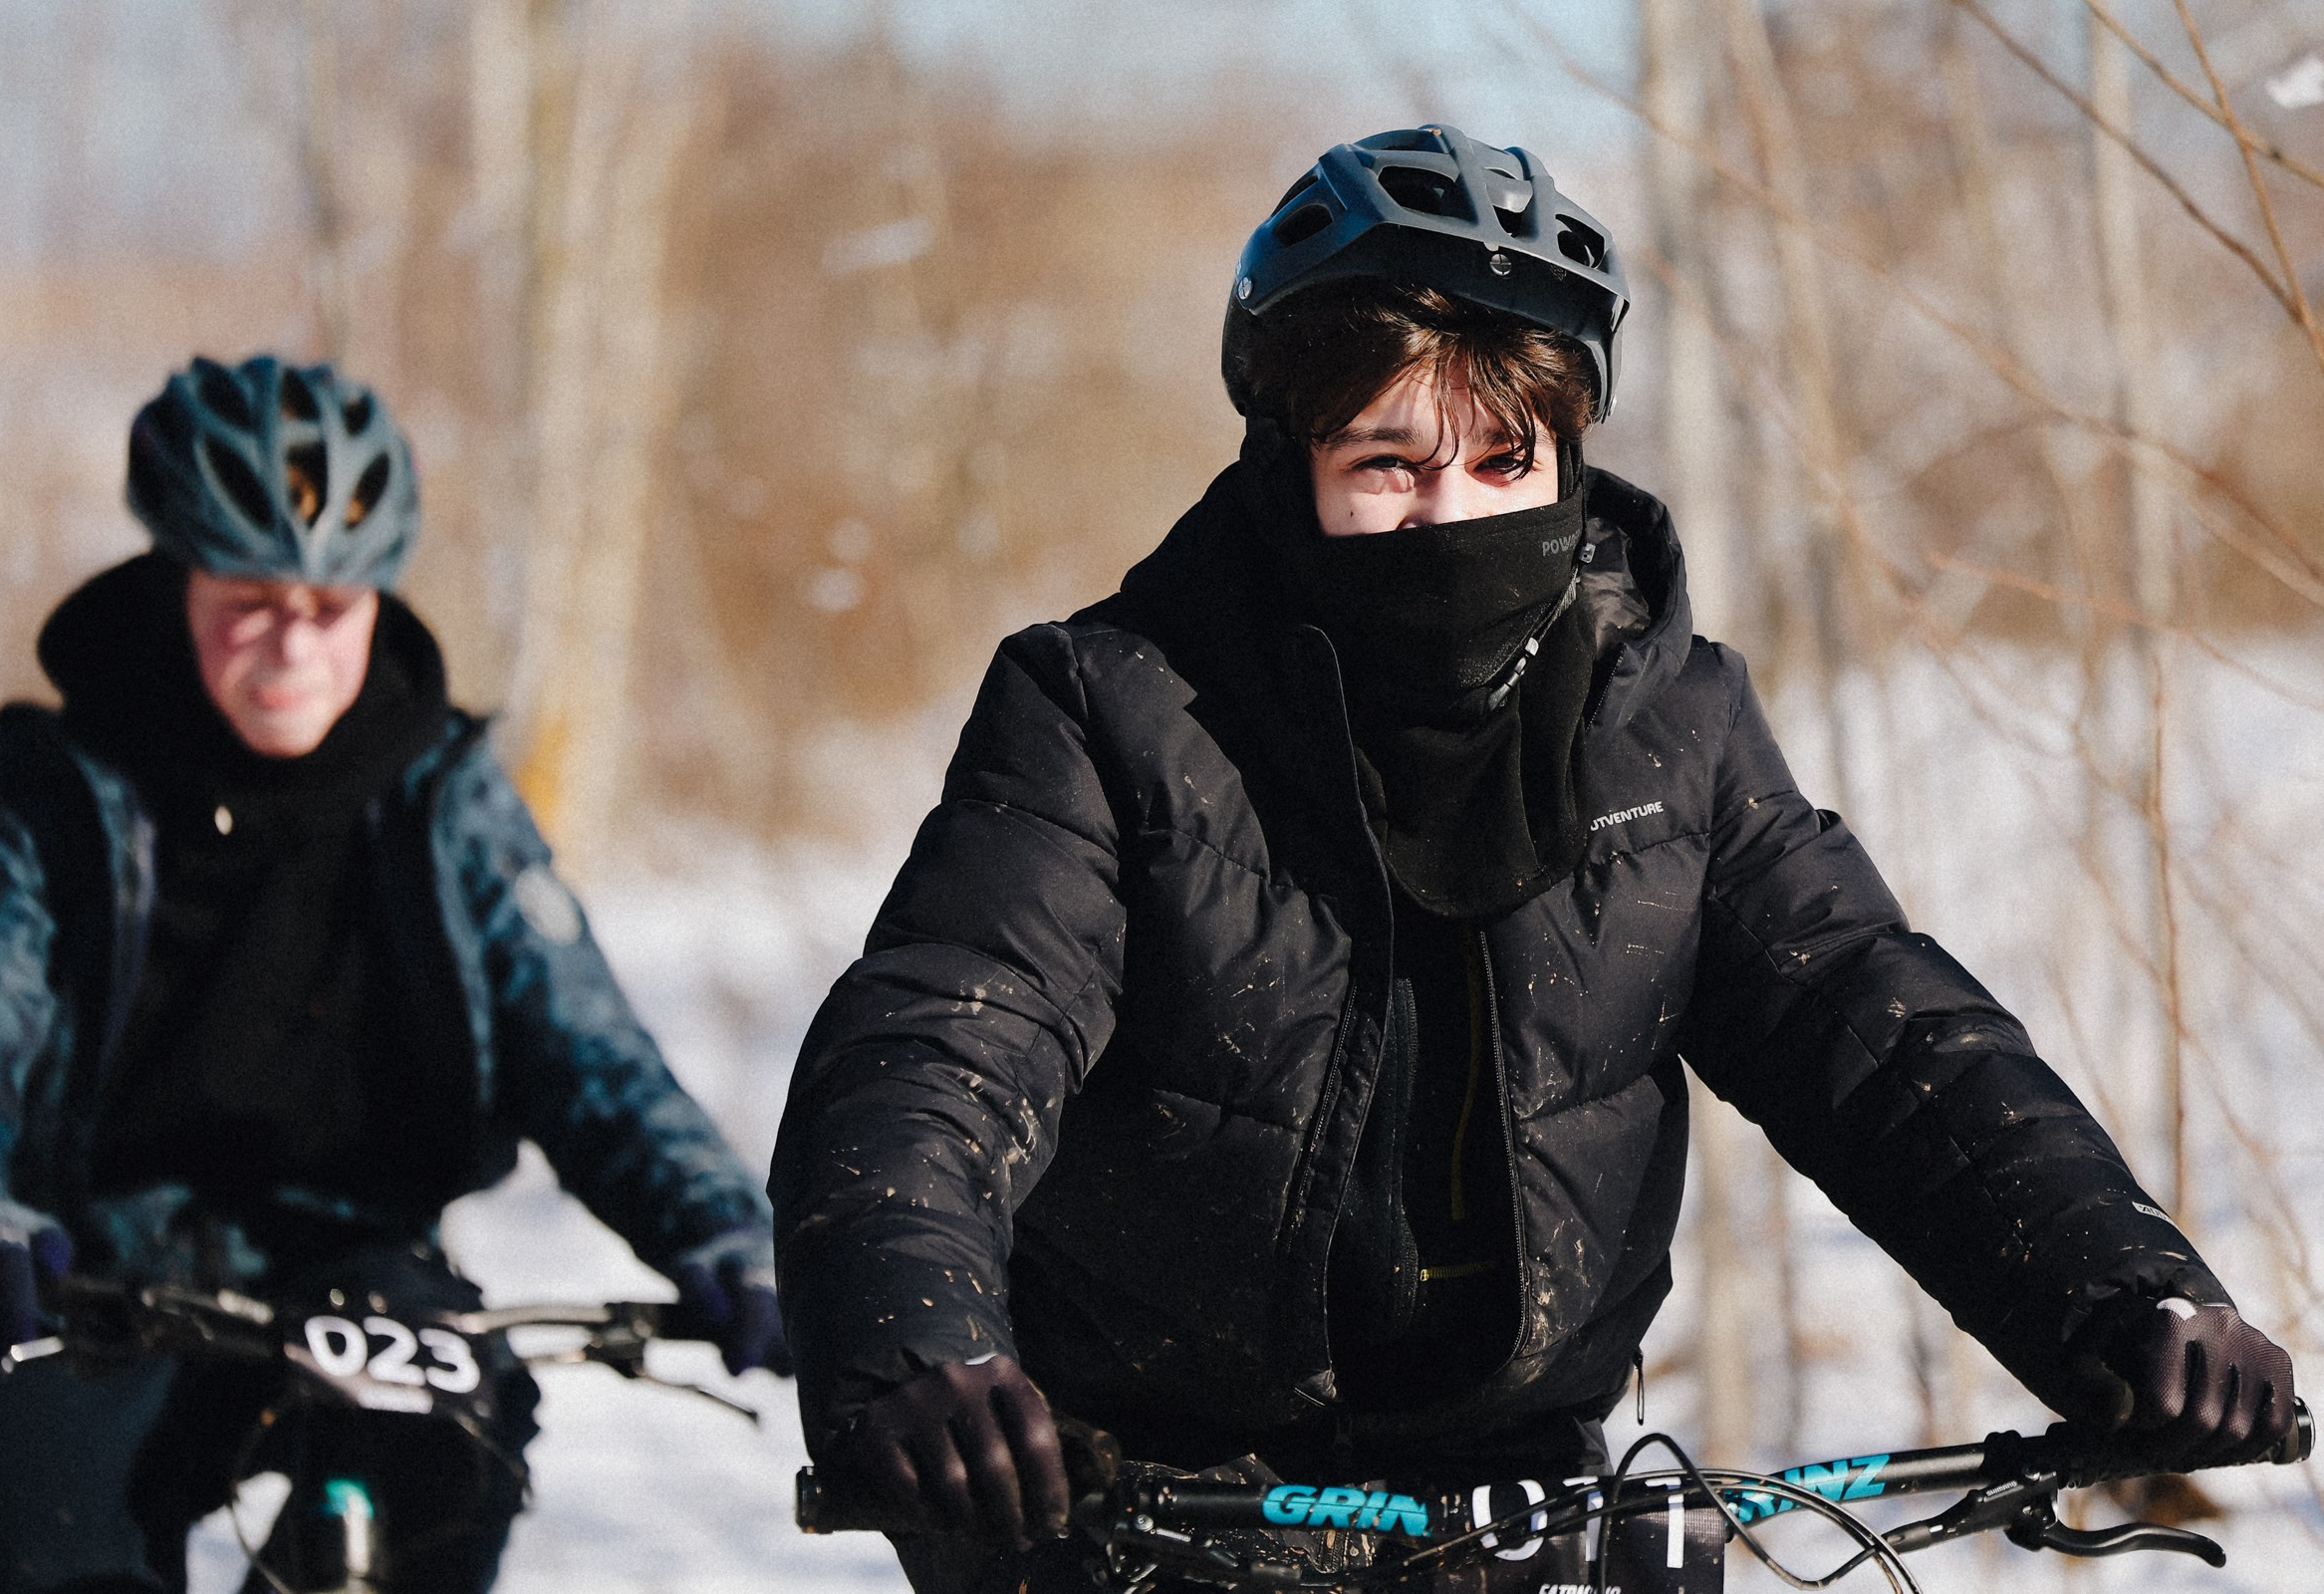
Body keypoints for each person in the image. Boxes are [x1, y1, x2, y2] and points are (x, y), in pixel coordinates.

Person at [768, 127, 2297, 1590]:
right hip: (1151, 1508)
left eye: (1506, 461)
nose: (1452, 516)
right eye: (1387, 464)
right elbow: (942, 1043)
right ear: (1285, 463)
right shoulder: (1112, 708)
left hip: (1531, 1501)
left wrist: (2124, 1293)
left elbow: (1884, 1044)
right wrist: (919, 1340)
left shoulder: (1671, 725)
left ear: (1570, 457)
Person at [0, 355, 785, 1594]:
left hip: (356, 1262)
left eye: (335, 607)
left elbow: (587, 1048)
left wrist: (722, 1226)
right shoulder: (61, 801)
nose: (294, 645)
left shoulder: (444, 799)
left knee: (454, 1447)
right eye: (251, 600)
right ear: (179, 576)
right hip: (85, 1272)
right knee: (51, 1546)